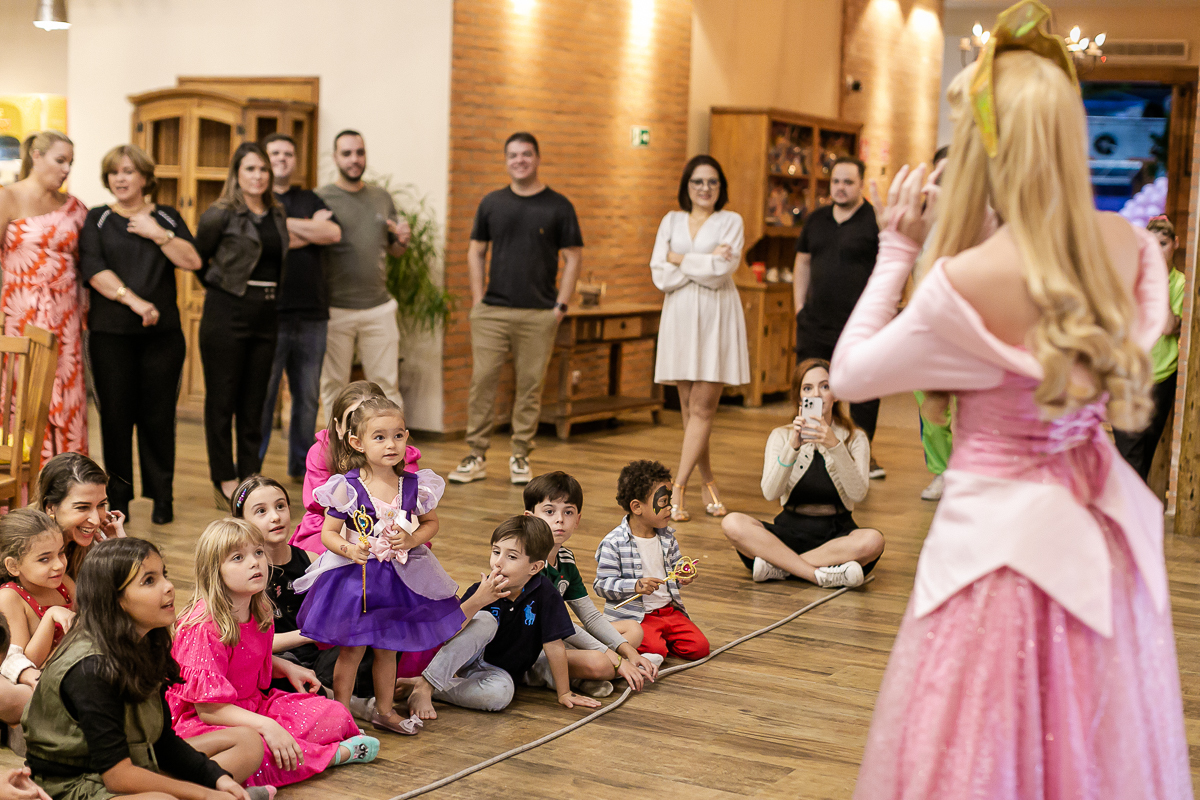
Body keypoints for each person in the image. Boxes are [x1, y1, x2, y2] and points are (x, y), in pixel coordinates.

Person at [834, 6, 1189, 793]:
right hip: (1099, 545)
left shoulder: (963, 281)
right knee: (1091, 749)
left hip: (990, 559)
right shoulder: (1131, 249)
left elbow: (850, 376)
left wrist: (898, 248)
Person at [22, 537, 271, 800]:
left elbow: (162, 742)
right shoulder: (90, 668)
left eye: (163, 575)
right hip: (76, 782)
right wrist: (203, 794)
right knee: (162, 799)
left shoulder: (145, 641)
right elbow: (116, 776)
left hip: (136, 759)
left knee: (248, 741)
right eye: (149, 581)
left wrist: (217, 779)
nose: (169, 587)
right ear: (115, 599)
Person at [293, 395, 463, 735]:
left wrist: (413, 539)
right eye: (380, 437)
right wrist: (347, 548)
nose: (391, 444)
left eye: (398, 436)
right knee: (352, 651)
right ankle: (340, 716)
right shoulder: (347, 487)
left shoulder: (414, 486)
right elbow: (328, 532)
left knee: (389, 650)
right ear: (357, 442)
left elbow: (431, 523)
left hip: (398, 579)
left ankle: (384, 711)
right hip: (356, 581)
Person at [168, 519, 375, 788]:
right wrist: (268, 727)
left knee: (334, 714)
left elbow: (245, 658)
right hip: (207, 720)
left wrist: (285, 667)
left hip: (253, 705)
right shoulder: (203, 627)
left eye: (258, 552)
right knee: (258, 751)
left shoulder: (260, 606)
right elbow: (209, 709)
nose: (255, 563)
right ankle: (334, 755)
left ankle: (286, 758)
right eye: (238, 558)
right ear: (214, 571)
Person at [449, 132, 584, 486]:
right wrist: (478, 299)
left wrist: (560, 306)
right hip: (492, 311)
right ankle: (475, 455)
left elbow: (573, 258)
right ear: (506, 160)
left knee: (529, 386)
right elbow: (475, 250)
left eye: (526, 154)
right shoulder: (492, 202)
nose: (520, 160)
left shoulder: (558, 206)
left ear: (537, 158)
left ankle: (520, 454)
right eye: (513, 155)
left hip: (539, 314)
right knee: (482, 382)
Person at [79, 144, 202, 525]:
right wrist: (136, 303)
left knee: (159, 418)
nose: (120, 178)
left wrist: (159, 234)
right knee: (115, 420)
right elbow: (94, 270)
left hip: (162, 338)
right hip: (110, 335)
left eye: (129, 171)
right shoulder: (97, 218)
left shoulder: (166, 216)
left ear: (146, 178)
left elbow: (193, 261)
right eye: (114, 172)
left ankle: (161, 497)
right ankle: (120, 503)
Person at [403, 516, 601, 720]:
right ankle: (426, 685)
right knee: (487, 620)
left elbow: (554, 645)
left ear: (535, 567)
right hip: (466, 658)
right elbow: (448, 633)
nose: (498, 562)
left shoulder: (546, 594)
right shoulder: (482, 588)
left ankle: (421, 687)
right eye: (496, 552)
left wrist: (564, 693)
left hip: (498, 674)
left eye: (512, 557)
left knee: (501, 696)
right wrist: (478, 601)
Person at [720, 358, 883, 588]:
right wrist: (793, 447)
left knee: (873, 540)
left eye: (825, 386)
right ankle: (823, 574)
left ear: (835, 394)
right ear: (799, 398)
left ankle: (780, 567)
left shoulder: (856, 438)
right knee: (732, 523)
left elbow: (857, 494)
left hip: (836, 537)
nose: (816, 394)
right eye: (808, 388)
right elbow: (770, 492)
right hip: (788, 533)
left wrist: (835, 446)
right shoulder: (780, 435)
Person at [650, 156, 749, 521]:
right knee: (691, 410)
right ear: (687, 186)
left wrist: (680, 258)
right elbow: (660, 274)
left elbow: (722, 272)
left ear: (720, 187)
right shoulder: (670, 221)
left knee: (703, 408)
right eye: (697, 182)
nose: (705, 188)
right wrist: (702, 260)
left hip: (715, 315)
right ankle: (709, 481)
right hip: (678, 315)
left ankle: (677, 487)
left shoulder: (731, 221)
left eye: (712, 182)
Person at [195, 142, 289, 507]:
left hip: (267, 313)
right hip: (226, 311)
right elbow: (199, 262)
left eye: (263, 169)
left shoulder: (277, 214)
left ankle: (251, 477)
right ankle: (224, 478)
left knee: (256, 402)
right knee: (222, 400)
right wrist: (228, 291)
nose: (258, 176)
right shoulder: (219, 214)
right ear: (237, 174)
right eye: (250, 169)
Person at [521, 472, 662, 697]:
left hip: (557, 639)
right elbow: (562, 626)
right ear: (529, 517)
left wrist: (629, 653)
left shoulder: (565, 558)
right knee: (602, 662)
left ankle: (583, 676)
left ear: (577, 519)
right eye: (549, 512)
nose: (559, 519)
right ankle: (545, 674)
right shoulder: (528, 564)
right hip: (528, 649)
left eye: (568, 512)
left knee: (632, 630)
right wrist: (616, 659)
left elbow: (590, 617)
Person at [792, 155, 884, 479]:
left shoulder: (875, 220)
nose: (841, 188)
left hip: (860, 324)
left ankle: (862, 454)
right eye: (836, 182)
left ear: (861, 184)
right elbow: (802, 263)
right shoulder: (816, 220)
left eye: (848, 182)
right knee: (812, 388)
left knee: (863, 391)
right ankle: (809, 449)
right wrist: (799, 307)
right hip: (816, 323)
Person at [258, 134, 342, 481]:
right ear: (264, 159)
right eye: (275, 153)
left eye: (288, 153)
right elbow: (265, 241)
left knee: (307, 398)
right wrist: (311, 228)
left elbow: (333, 234)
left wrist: (281, 227)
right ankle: (253, 467)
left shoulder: (309, 197)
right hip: (270, 314)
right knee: (263, 396)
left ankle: (301, 468)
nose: (282, 158)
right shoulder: (256, 201)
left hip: (312, 313)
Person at [0, 131, 87, 460]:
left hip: (65, 319)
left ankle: (66, 489)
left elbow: (87, 264)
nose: (66, 169)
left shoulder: (76, 208)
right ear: (36, 156)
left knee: (66, 400)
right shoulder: (7, 197)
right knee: (24, 402)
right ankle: (23, 492)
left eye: (70, 163)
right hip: (21, 318)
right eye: (60, 160)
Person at [315, 131, 409, 416]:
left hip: (378, 308)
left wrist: (402, 240)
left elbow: (395, 250)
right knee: (333, 388)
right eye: (346, 153)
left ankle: (394, 458)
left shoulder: (381, 197)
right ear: (335, 158)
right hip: (334, 310)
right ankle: (336, 457)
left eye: (359, 152)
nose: (354, 160)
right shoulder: (321, 198)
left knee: (386, 389)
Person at [594, 461, 709, 661]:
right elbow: (601, 585)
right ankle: (638, 642)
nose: (670, 508)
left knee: (700, 648)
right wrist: (635, 585)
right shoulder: (613, 543)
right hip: (637, 618)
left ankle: (657, 642)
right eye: (663, 502)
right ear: (637, 507)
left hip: (668, 611)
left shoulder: (667, 537)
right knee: (657, 651)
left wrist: (683, 573)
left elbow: (676, 566)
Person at [290, 381, 420, 555]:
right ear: (338, 427)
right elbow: (323, 507)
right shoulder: (323, 451)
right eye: (353, 419)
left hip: (390, 526)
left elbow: (410, 508)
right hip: (330, 523)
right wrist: (353, 543)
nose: (360, 427)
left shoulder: (396, 453)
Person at [1112, 215, 1185, 482]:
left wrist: (1159, 281)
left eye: (1163, 244)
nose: (1157, 251)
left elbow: (1167, 326)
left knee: (1144, 453)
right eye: (1151, 245)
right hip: (1128, 378)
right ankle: (1133, 517)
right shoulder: (1131, 279)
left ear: (1175, 244)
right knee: (1128, 455)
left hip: (1161, 379)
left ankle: (1134, 517)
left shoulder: (1180, 284)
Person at [229, 476, 317, 684]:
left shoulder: (312, 561)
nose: (275, 517)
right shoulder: (243, 575)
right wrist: (312, 633)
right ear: (241, 522)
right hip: (275, 658)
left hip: (317, 655)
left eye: (280, 506)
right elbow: (247, 643)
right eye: (261, 511)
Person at [0, 510, 74, 676]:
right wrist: (50, 616)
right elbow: (23, 663)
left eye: (61, 553)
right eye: (44, 559)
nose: (59, 565)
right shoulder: (10, 598)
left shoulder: (62, 583)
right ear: (13, 566)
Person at [36, 454, 126, 580]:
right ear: (50, 508)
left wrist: (121, 553)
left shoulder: (101, 541)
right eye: (82, 507)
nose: (95, 521)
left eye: (101, 505)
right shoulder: (25, 550)